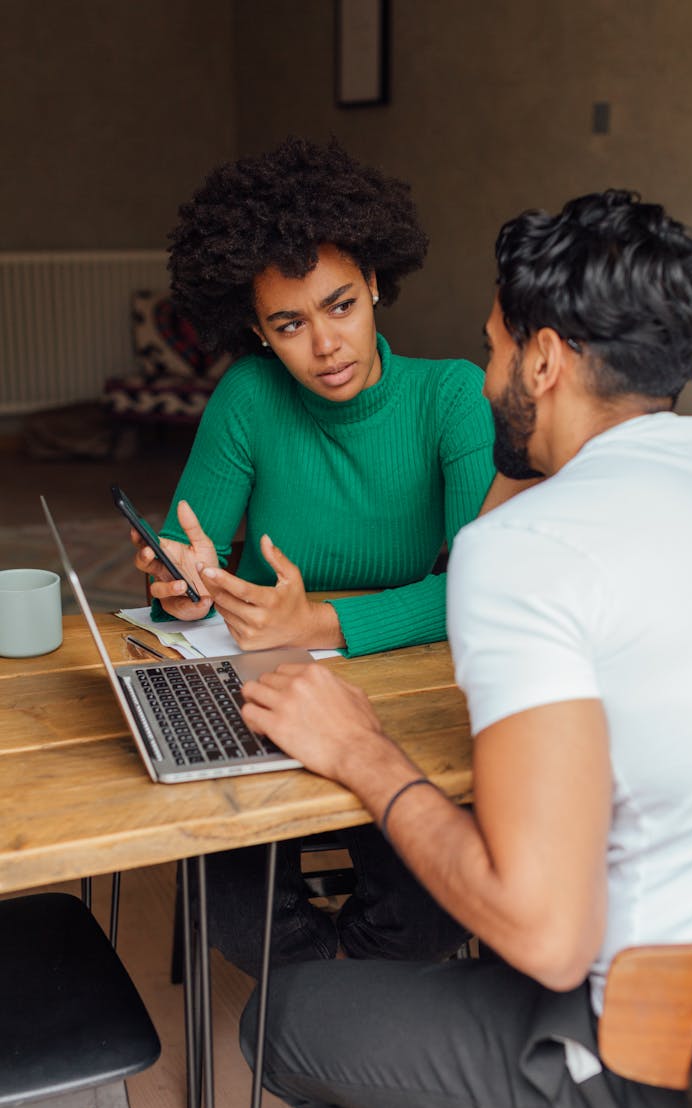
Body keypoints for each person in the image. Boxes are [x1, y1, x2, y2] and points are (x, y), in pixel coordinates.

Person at [237, 189, 692, 1108]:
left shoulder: (528, 552)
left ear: (543, 358)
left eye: (494, 349)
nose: (483, 380)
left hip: (665, 1061)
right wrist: (537, 442)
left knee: (280, 1018)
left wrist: (360, 749)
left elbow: (548, 936)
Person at [132, 137, 497, 976]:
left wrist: (322, 617)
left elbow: (484, 588)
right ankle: (319, 990)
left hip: (403, 687)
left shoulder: (451, 400)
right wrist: (181, 586)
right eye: (288, 324)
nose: (324, 345)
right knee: (236, 903)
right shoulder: (249, 397)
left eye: (340, 305)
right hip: (256, 684)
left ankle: (345, 995)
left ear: (374, 280)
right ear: (255, 329)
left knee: (422, 910)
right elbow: (189, 568)